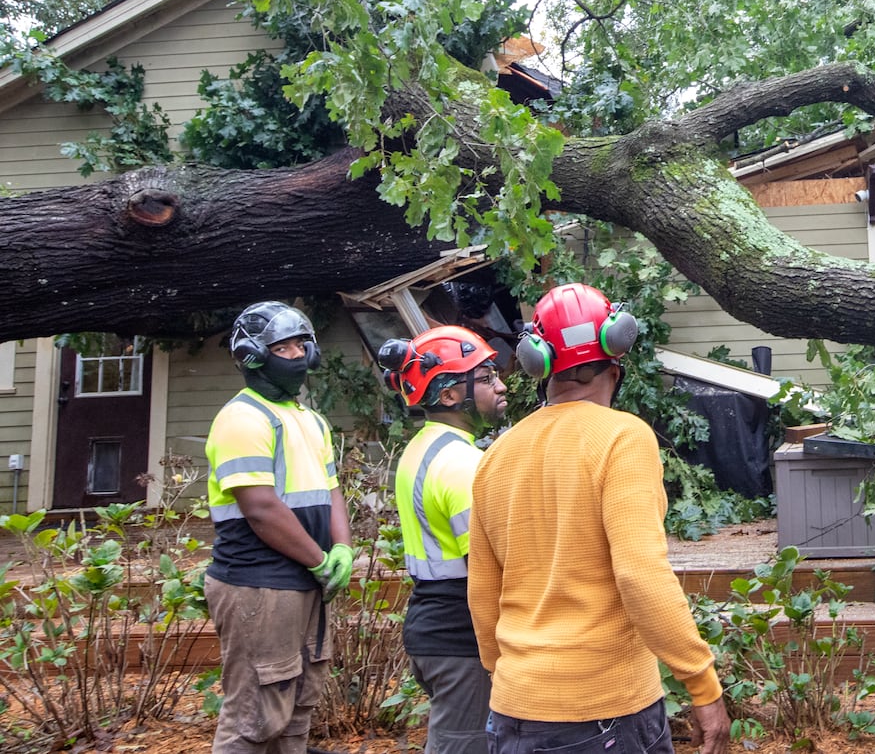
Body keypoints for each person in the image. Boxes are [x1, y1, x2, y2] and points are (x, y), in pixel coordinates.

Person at [470, 282, 731, 754]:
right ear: (617, 357)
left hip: (513, 709)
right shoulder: (622, 439)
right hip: (603, 709)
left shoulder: (496, 456)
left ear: (539, 367)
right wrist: (703, 686)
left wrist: (514, 678)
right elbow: (640, 574)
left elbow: (483, 593)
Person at [204, 300, 355, 754]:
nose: (297, 355)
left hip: (306, 584)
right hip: (259, 585)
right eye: (283, 347)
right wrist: (319, 560)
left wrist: (343, 549)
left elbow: (331, 491)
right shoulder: (242, 418)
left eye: (300, 345)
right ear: (254, 356)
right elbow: (261, 508)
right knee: (254, 716)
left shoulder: (311, 420)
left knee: (297, 711)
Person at [381, 325, 509, 754]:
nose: (501, 384)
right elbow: (490, 568)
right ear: (450, 395)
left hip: (433, 626)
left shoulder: (422, 448)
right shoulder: (463, 465)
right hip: (460, 639)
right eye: (487, 377)